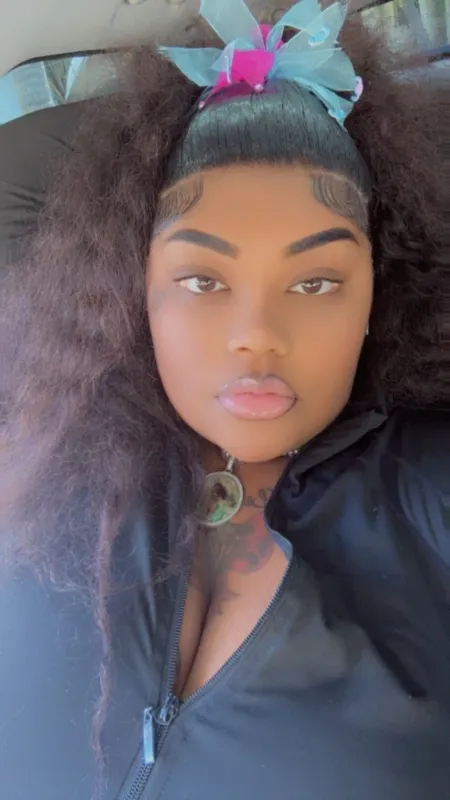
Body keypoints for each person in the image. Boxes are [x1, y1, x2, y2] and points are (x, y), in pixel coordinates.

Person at [1, 0, 449, 798]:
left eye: (316, 282)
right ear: (135, 289)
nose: (256, 335)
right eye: (203, 280)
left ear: (376, 294)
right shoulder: (39, 452)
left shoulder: (429, 493)